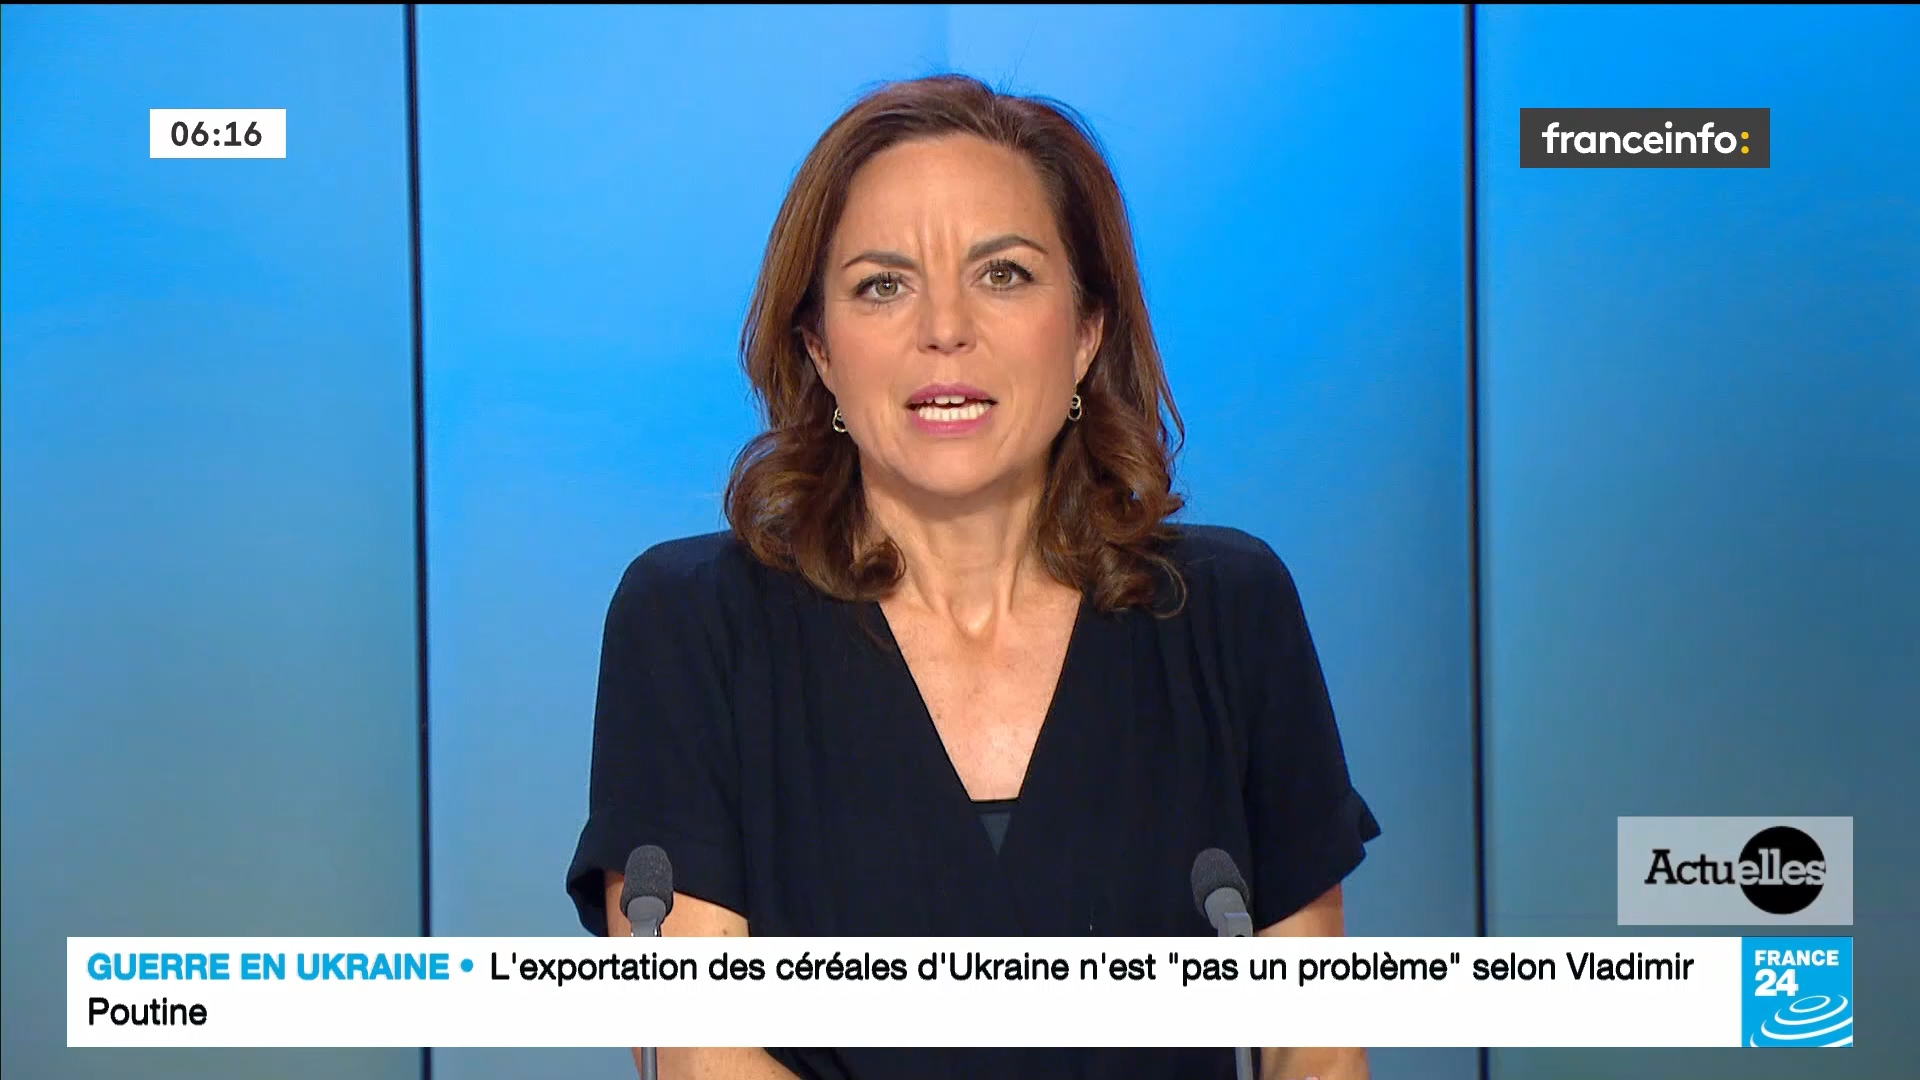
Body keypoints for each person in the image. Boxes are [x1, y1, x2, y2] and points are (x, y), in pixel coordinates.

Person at [566, 73, 1380, 1080]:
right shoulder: (692, 622)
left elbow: (1317, 1051)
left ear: (1086, 332)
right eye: (883, 284)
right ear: (818, 347)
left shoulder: (1228, 609)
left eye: (1003, 274)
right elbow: (702, 1056)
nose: (944, 327)